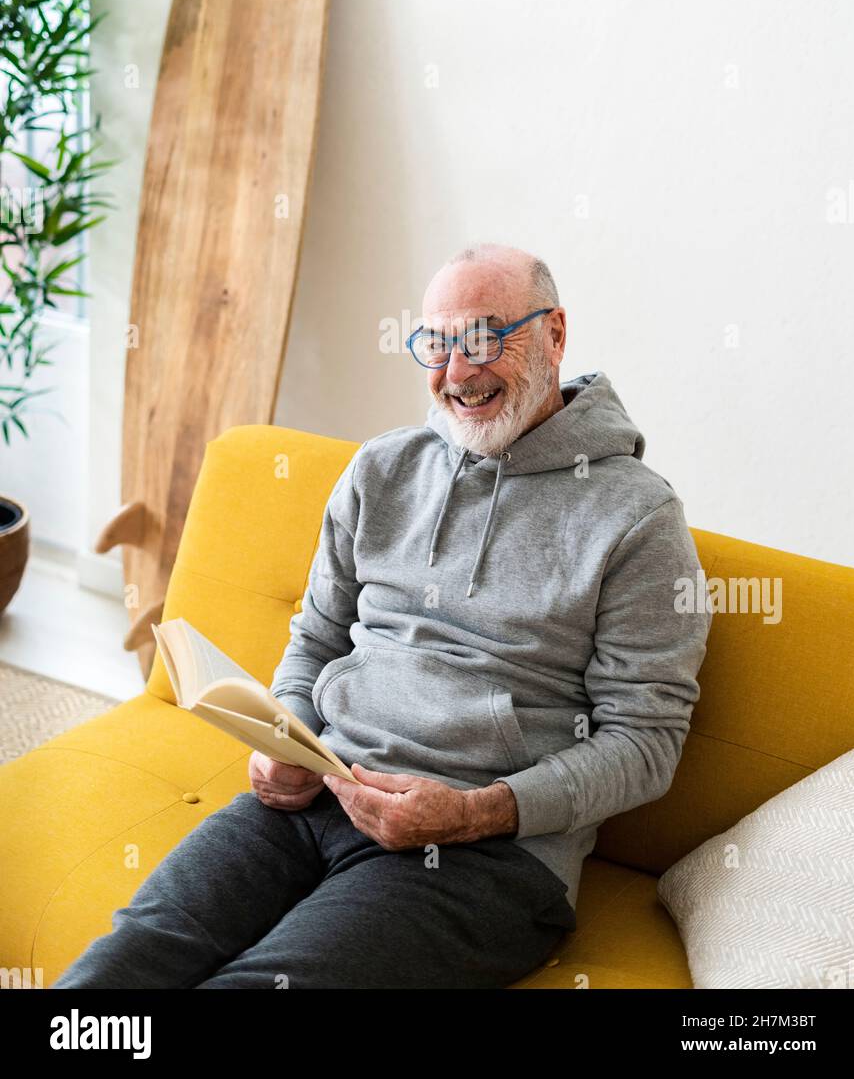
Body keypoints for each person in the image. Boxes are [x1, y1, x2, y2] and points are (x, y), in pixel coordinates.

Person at [53, 241, 712, 989]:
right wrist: (287, 736)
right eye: (436, 343)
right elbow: (317, 635)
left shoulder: (638, 520)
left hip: (485, 858)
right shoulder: (382, 468)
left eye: (485, 338)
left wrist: (473, 814)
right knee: (121, 967)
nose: (457, 373)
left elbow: (646, 743)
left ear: (554, 334)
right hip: (315, 796)